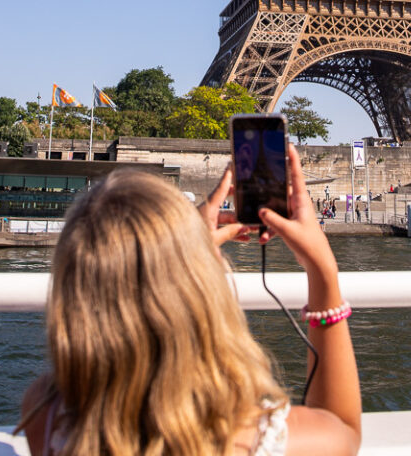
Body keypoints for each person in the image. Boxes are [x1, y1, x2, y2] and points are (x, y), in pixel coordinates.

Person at [18, 145, 361, 456]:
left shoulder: (46, 416)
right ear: (200, 287)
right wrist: (323, 272)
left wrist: (179, 252)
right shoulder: (253, 440)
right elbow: (343, 427)